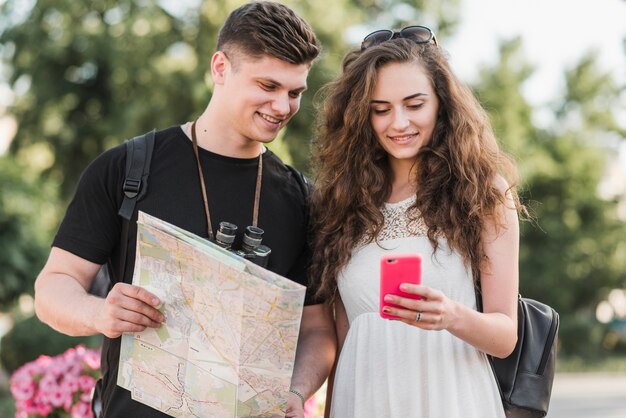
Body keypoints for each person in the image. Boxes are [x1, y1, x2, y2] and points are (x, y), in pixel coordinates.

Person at [33, 2, 336, 417]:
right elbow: (52, 289)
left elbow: (318, 329)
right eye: (267, 86)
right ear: (220, 68)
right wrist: (100, 312)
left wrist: (297, 392)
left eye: (295, 92)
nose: (282, 106)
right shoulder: (125, 168)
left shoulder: (305, 200)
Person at [310, 26, 524, 417]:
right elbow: (343, 338)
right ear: (361, 115)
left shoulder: (483, 193)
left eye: (414, 104)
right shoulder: (342, 204)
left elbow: (505, 337)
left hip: (452, 400)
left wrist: (452, 315)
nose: (399, 123)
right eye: (380, 109)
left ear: (441, 103)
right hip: (363, 402)